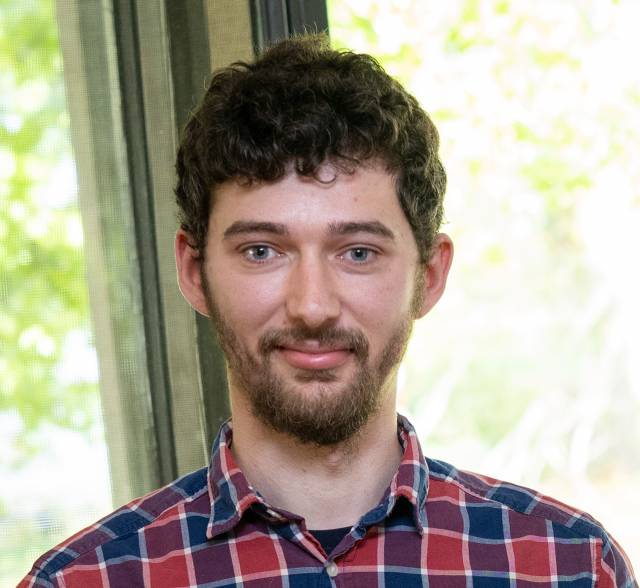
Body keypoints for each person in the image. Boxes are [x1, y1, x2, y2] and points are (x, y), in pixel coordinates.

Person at [21, 34, 636, 588]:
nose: (312, 306)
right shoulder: (82, 581)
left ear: (429, 275)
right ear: (193, 272)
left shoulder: (570, 568)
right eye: (262, 251)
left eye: (358, 252)